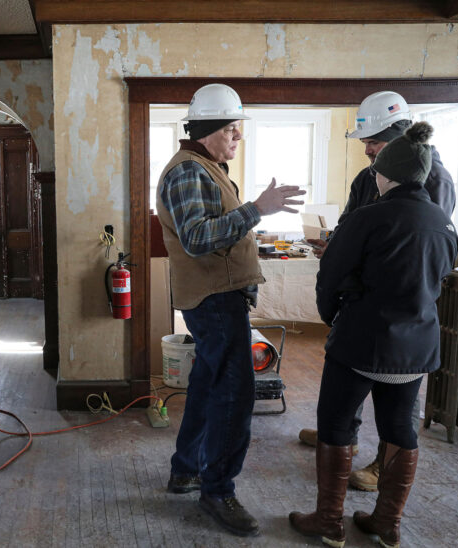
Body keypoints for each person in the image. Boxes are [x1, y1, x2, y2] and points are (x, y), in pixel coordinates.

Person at [289, 122, 458, 548]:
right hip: (416, 347)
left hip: (361, 343)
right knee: (400, 429)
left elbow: (331, 277)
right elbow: (440, 280)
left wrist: (333, 318)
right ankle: (387, 523)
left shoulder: (369, 217)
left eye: (377, 168)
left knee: (336, 424)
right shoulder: (443, 223)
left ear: (388, 174)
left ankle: (329, 522)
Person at [156, 83, 305, 537]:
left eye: (238, 132)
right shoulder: (188, 172)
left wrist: (248, 224)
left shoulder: (208, 167)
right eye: (232, 131)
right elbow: (198, 238)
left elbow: (216, 228)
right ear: (207, 130)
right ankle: (217, 490)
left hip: (219, 295)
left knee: (207, 383)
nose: (238, 139)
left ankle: (186, 470)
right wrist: (257, 209)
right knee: (235, 395)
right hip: (214, 299)